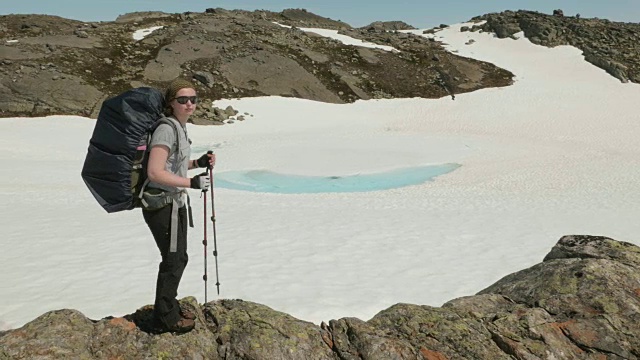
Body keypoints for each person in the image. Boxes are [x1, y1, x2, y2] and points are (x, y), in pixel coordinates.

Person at [143, 78, 215, 333]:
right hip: (161, 204)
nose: (189, 104)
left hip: (174, 202)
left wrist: (197, 163)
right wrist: (191, 183)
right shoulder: (166, 129)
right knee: (173, 260)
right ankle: (164, 319)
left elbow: (173, 165)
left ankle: (168, 307)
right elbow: (154, 172)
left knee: (178, 257)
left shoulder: (180, 127)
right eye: (182, 100)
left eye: (193, 99)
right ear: (171, 103)